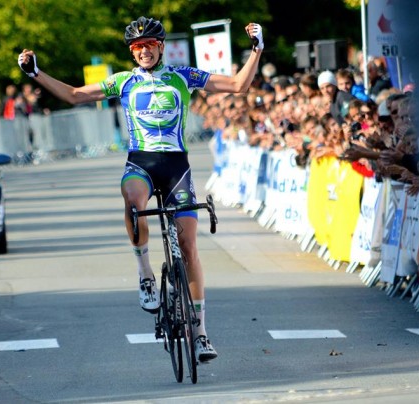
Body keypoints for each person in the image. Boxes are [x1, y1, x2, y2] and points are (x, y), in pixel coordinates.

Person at [18, 16, 264, 362]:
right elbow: (74, 96)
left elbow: (238, 86)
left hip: (177, 166)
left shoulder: (183, 76)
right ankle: (145, 274)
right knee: (133, 201)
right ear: (132, 53)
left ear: (160, 47)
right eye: (137, 47)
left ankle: (202, 333)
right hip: (141, 164)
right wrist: (35, 74)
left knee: (189, 245)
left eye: (149, 45)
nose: (143, 51)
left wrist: (256, 50)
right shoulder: (123, 82)